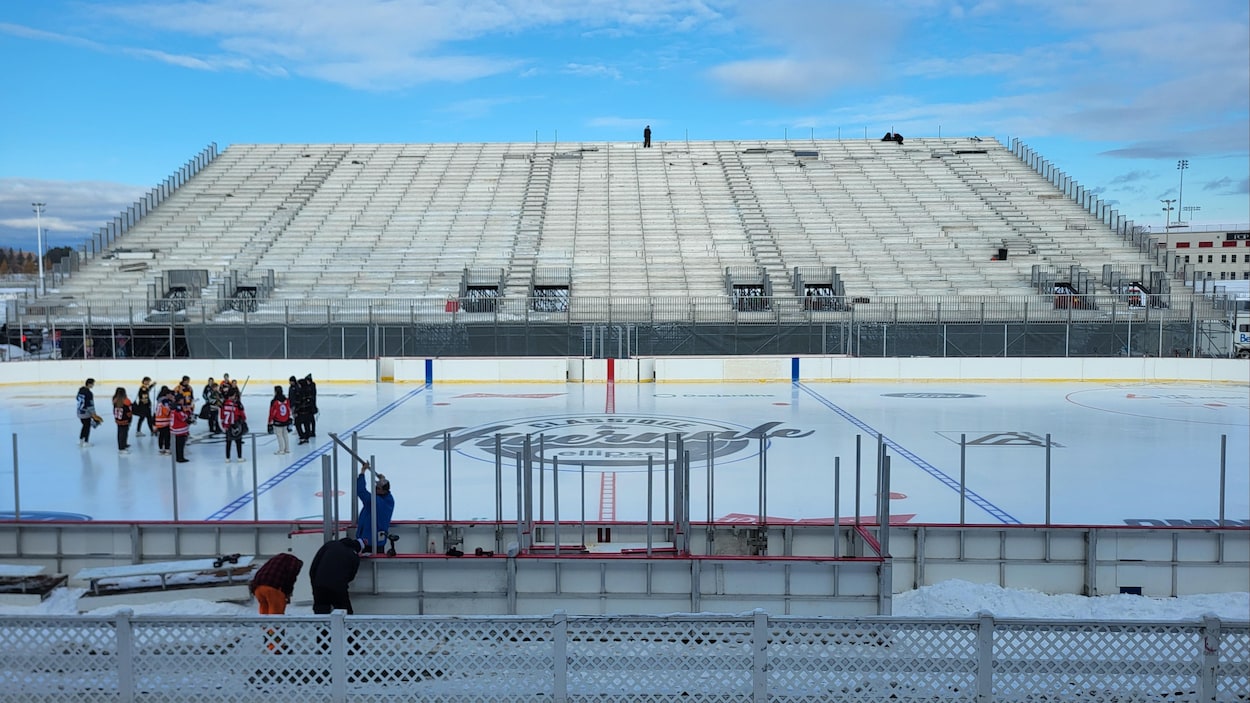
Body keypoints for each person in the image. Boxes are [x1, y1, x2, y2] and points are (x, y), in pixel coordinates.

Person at [309, 537, 362, 614]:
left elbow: (314, 567)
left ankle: (320, 626)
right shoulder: (354, 556)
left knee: (320, 612)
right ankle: (346, 626)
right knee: (345, 614)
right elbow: (351, 576)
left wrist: (315, 583)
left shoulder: (329, 544)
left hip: (319, 585)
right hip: (338, 587)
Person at [355, 462, 394, 553]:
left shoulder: (374, 501)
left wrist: (362, 472)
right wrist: (383, 479)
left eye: (378, 488)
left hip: (368, 540)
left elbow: (361, 491)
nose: (375, 489)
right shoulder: (389, 500)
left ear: (383, 491)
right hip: (379, 540)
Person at [220, 386, 248, 463]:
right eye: (234, 395)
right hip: (235, 425)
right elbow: (242, 416)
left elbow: (222, 415)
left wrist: (223, 425)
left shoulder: (224, 404)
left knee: (228, 442)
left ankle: (227, 458)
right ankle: (239, 457)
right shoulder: (236, 405)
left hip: (227, 425)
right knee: (238, 441)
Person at [268, 385, 292, 455]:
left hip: (278, 420)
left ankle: (281, 450)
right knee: (285, 434)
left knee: (279, 435)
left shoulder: (274, 401)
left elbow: (271, 412)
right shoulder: (286, 400)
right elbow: (288, 409)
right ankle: (287, 449)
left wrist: (269, 421)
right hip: (286, 420)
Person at [76, 378, 98, 447]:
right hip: (86, 413)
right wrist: (94, 415)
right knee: (87, 427)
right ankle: (86, 441)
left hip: (80, 412)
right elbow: (90, 405)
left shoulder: (80, 390)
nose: (93, 385)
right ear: (89, 384)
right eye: (92, 384)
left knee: (84, 426)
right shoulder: (89, 393)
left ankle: (81, 440)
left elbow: (77, 398)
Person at [171, 393, 192, 463]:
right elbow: (182, 417)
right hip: (179, 428)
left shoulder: (174, 406)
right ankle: (180, 458)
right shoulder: (178, 408)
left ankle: (178, 457)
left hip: (175, 427)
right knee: (180, 444)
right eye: (182, 399)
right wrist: (188, 414)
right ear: (180, 400)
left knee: (178, 444)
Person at [294, 376, 316, 445]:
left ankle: (302, 436)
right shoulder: (309, 391)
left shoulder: (299, 393)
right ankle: (307, 436)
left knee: (298, 424)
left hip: (301, 412)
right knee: (307, 424)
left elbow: (298, 403)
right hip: (308, 412)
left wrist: (296, 411)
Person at [112, 387, 132, 455]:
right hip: (125, 420)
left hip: (118, 419)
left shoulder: (115, 400)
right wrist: (130, 420)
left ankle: (123, 445)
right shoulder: (126, 401)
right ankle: (121, 448)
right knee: (124, 433)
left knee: (120, 432)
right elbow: (129, 412)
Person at [154, 386, 174, 456]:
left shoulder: (159, 401)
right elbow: (167, 412)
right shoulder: (165, 401)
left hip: (158, 421)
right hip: (164, 421)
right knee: (166, 435)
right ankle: (167, 449)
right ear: (167, 394)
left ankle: (161, 448)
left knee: (161, 435)